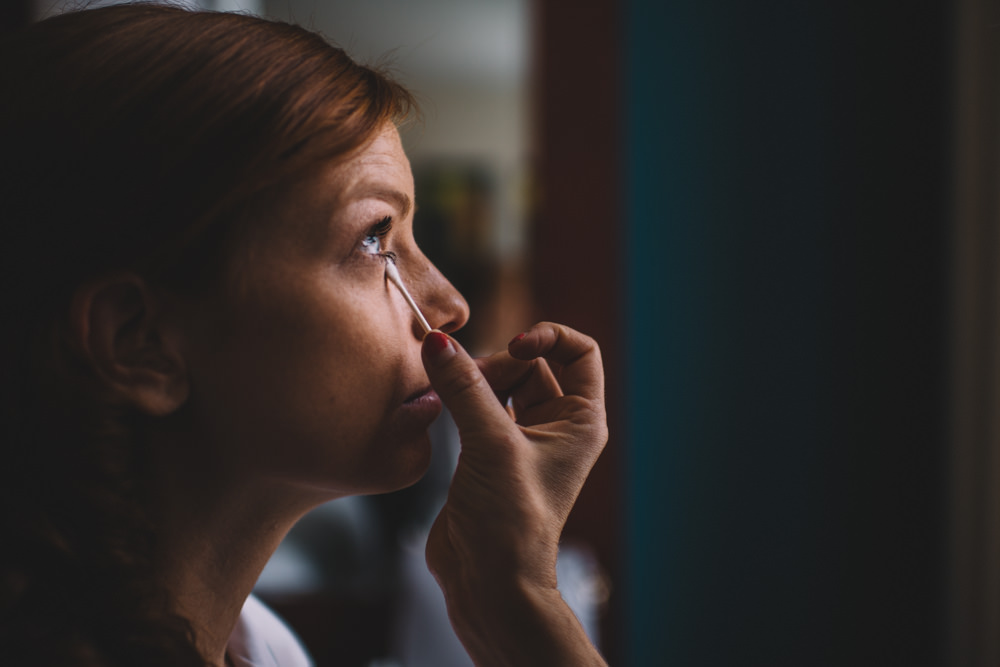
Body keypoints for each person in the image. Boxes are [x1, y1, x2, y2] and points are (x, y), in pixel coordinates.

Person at [0, 4, 609, 666]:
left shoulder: (268, 650)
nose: (450, 305)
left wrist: (513, 593)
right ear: (139, 340)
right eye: (375, 237)